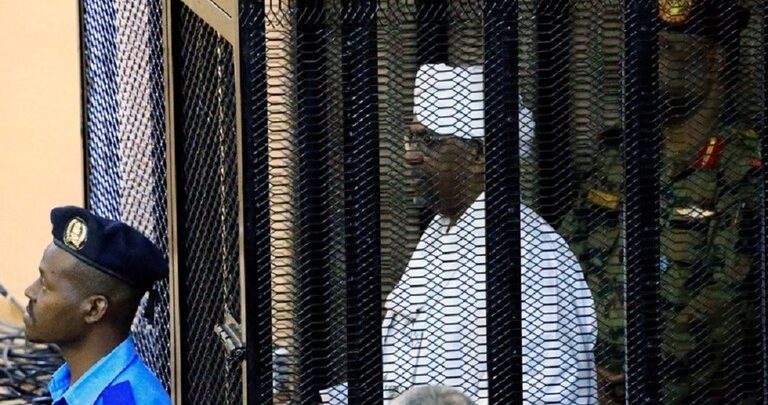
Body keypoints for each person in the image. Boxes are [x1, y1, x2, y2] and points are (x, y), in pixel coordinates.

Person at [558, 2, 760, 403]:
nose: (649, 63)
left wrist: (645, 367)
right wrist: (575, 363)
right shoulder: (617, 155)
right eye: (647, 49)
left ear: (714, 62)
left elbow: (735, 293)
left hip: (689, 389)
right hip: (589, 382)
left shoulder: (743, 165)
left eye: (669, 49)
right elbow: (561, 259)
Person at [23, 206, 171, 405]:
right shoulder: (73, 387)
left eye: (45, 284)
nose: (29, 292)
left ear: (94, 309)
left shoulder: (125, 401)